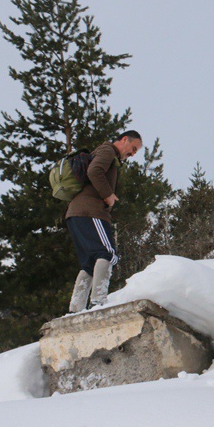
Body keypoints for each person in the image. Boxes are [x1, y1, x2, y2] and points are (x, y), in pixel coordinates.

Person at [66, 130, 143, 313]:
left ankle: (75, 308)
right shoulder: (108, 150)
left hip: (76, 213)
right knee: (107, 253)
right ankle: (98, 302)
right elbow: (94, 171)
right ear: (124, 139)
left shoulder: (104, 152)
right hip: (90, 211)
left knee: (89, 262)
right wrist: (108, 195)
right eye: (132, 148)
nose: (132, 154)